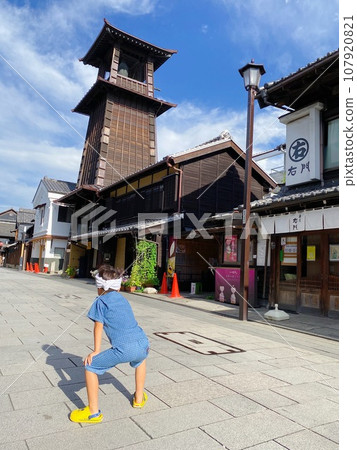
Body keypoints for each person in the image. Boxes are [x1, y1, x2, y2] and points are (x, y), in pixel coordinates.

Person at [70, 265, 149, 424]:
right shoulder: (124, 299)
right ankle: (139, 398)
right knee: (141, 359)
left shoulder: (100, 301)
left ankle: (93, 413)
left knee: (90, 367)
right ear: (118, 287)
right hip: (143, 342)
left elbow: (98, 326)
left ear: (99, 287)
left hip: (124, 348)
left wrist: (96, 351)